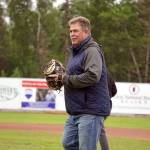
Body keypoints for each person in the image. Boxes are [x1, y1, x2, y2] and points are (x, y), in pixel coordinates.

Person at [49, 16, 111, 150]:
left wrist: (65, 78)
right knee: (68, 142)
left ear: (86, 32)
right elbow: (71, 76)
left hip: (90, 110)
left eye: (75, 31)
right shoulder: (76, 53)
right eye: (71, 31)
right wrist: (60, 78)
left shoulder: (91, 50)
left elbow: (92, 76)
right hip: (76, 110)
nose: (72, 34)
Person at [99, 71, 117, 150]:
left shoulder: (93, 72)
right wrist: (107, 96)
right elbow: (114, 91)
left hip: (98, 105)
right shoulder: (107, 73)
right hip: (107, 105)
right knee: (99, 130)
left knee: (96, 130)